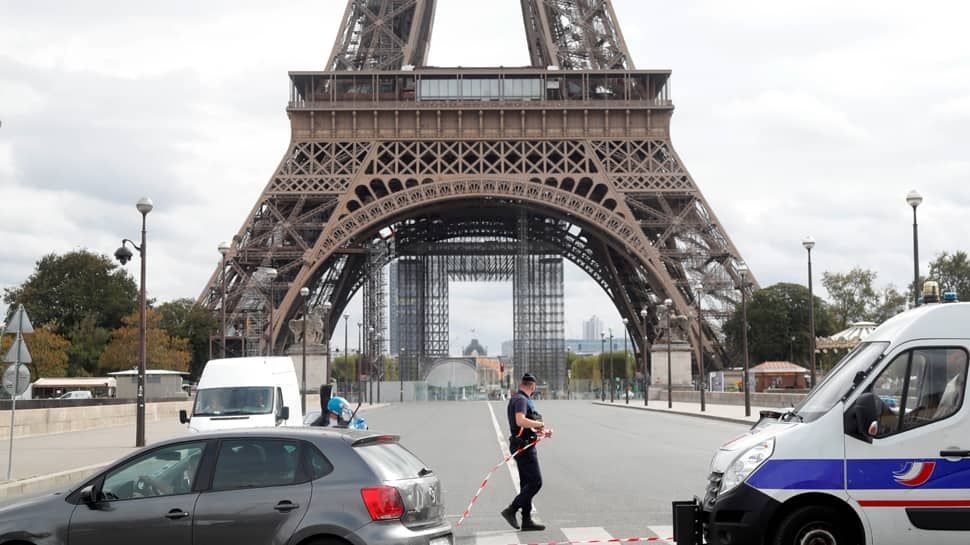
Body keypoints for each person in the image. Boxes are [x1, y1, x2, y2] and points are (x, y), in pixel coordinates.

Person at [501, 373, 552, 532]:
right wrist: (540, 423)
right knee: (536, 482)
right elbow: (520, 420)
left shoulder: (516, 398)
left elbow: (523, 425)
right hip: (524, 447)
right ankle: (512, 509)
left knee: (526, 483)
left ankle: (527, 519)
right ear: (532, 386)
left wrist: (541, 430)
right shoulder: (522, 400)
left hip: (522, 443)